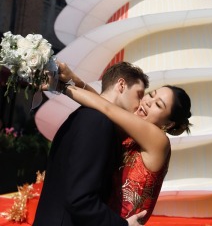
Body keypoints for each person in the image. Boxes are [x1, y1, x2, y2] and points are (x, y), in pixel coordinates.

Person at [58, 62, 192, 223]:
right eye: (151, 94)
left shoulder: (158, 140)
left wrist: (60, 87)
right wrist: (74, 80)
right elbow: (106, 102)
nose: (148, 101)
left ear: (168, 124)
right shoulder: (134, 131)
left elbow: (106, 108)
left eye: (158, 104)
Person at [33, 61, 149, 226]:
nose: (139, 104)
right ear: (121, 85)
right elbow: (80, 199)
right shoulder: (98, 122)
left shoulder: (86, 115)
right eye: (139, 94)